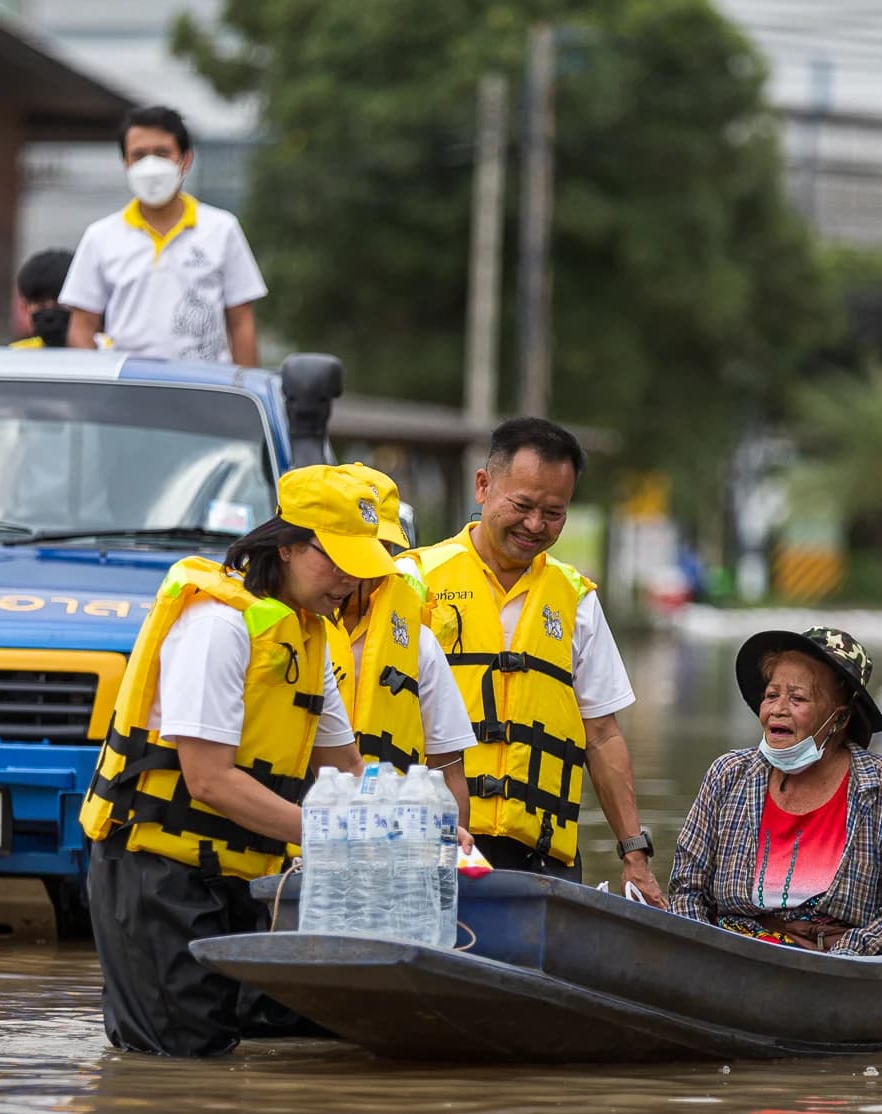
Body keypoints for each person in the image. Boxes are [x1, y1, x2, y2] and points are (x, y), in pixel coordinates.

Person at [81, 465, 396, 1057]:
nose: (351, 582)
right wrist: (334, 833)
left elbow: (348, 768)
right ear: (288, 545)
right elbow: (208, 781)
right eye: (338, 561)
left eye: (363, 568)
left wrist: (413, 826)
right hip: (158, 871)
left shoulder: (310, 636)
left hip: (240, 876)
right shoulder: (217, 625)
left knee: (261, 1037)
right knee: (178, 1060)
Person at [406, 417, 666, 906]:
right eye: (522, 506)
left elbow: (603, 733)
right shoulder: (413, 580)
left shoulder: (576, 599)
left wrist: (634, 854)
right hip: (433, 841)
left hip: (542, 853)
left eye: (553, 512)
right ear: (483, 486)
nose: (534, 525)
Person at [667, 626, 882, 956]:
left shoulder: (877, 783)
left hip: (834, 968)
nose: (778, 710)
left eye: (797, 698)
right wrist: (702, 951)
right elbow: (687, 888)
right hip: (730, 958)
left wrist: (849, 954)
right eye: (771, 695)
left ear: (839, 718)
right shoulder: (728, 775)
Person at [58, 105, 266, 365]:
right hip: (128, 392)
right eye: (139, 155)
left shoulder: (222, 229)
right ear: (126, 164)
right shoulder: (100, 237)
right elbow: (81, 327)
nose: (151, 165)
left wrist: (241, 394)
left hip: (205, 391)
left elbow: (241, 322)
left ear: (185, 160)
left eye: (162, 153)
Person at [324, 464, 473, 819]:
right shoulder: (279, 628)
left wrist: (451, 861)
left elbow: (449, 771)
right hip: (290, 844)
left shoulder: (416, 642)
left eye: (381, 549)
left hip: (386, 846)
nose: (364, 566)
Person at [9, 248, 74, 349]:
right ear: (25, 307)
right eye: (40, 303)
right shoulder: (17, 356)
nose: (49, 313)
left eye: (60, 302)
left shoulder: (103, 354)